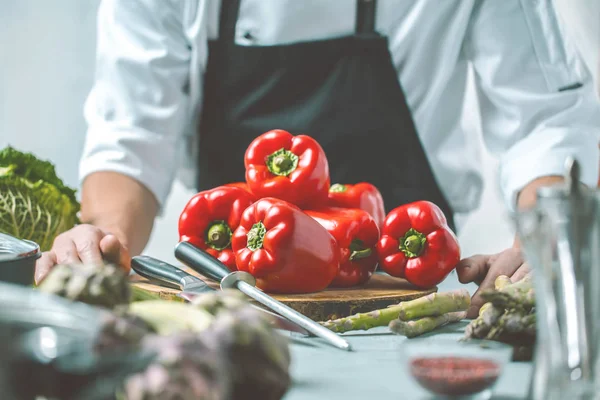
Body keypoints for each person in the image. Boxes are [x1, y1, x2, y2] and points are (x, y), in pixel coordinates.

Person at [35, 0, 600, 318]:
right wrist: (101, 237)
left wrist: (550, 235)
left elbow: (544, 118)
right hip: (223, 299)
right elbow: (130, 134)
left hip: (412, 305)